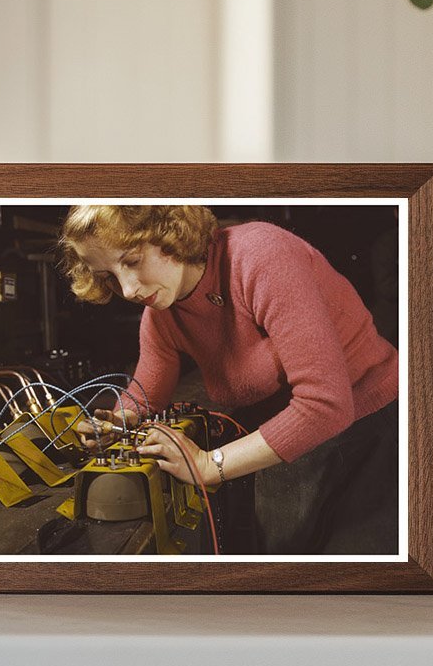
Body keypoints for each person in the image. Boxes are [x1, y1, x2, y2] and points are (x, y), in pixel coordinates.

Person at [57, 204, 399, 554]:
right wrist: (116, 423)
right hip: (288, 440)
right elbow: (145, 397)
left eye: (131, 260)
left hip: (368, 432)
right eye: (108, 276)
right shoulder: (163, 312)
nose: (127, 289)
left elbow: (326, 406)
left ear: (167, 233)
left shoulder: (260, 257)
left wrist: (208, 465)